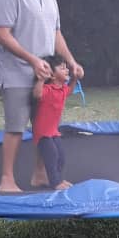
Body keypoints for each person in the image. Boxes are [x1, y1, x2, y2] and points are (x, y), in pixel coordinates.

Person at [0, 0, 84, 193]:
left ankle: (40, 175)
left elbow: (56, 33)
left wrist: (71, 61)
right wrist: (32, 59)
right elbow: (2, 33)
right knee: (15, 127)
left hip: (44, 73)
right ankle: (7, 180)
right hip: (17, 72)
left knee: (44, 128)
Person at [32, 54, 74, 190]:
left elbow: (70, 90)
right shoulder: (47, 89)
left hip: (53, 131)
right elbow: (37, 95)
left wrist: (75, 77)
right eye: (62, 68)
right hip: (43, 131)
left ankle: (59, 180)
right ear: (53, 76)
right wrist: (41, 80)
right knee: (52, 155)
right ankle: (56, 183)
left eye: (66, 68)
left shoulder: (62, 89)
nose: (66, 70)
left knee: (61, 156)